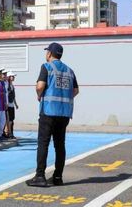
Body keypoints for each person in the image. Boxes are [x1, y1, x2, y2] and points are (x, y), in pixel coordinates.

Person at [26, 43, 80, 188]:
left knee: (43, 143)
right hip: (64, 113)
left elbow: (40, 86)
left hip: (48, 111)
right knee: (59, 145)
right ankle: (57, 177)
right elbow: (75, 90)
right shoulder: (70, 71)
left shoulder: (46, 67)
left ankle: (40, 176)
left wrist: (40, 95)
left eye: (47, 52)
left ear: (49, 54)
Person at [5, 72, 19, 139]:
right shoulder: (7, 84)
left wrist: (15, 104)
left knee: (12, 120)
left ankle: (11, 133)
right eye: (12, 76)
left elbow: (13, 96)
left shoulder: (12, 85)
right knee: (9, 120)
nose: (13, 77)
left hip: (12, 104)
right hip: (8, 105)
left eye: (13, 76)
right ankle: (8, 133)